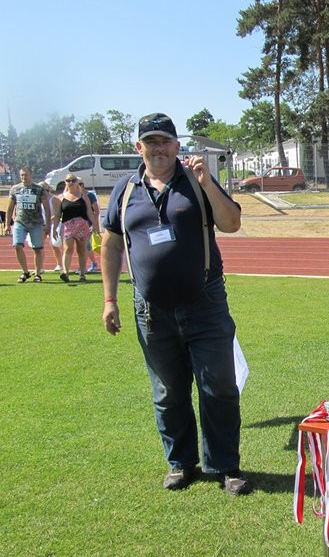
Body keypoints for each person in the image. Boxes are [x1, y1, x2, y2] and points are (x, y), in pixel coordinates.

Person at [101, 113, 250, 495]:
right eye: (150, 141)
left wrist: (206, 184)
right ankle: (181, 463)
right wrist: (109, 299)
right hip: (151, 310)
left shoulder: (197, 182)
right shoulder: (124, 190)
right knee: (168, 391)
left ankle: (225, 465)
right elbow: (113, 244)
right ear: (139, 148)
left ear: (177, 146)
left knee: (218, 384)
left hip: (205, 302)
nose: (159, 148)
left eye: (165, 141)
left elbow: (232, 223)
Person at [7, 166, 51, 283]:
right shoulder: (15, 189)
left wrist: (48, 225)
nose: (23, 177)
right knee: (17, 245)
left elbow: (47, 208)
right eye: (21, 175)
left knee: (37, 248)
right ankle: (25, 272)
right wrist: (7, 224)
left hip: (36, 222)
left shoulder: (39, 189)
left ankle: (37, 273)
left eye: (25, 175)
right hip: (20, 222)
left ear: (31, 175)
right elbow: (10, 207)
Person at [51, 173, 94, 282]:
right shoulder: (60, 198)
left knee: (82, 250)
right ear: (65, 182)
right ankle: (65, 272)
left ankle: (82, 274)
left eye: (73, 180)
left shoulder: (84, 197)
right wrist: (55, 228)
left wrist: (94, 224)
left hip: (82, 226)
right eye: (68, 180)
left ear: (77, 182)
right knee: (67, 249)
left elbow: (89, 211)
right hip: (67, 226)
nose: (71, 183)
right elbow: (57, 215)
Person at [79, 179, 101, 273]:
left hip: (88, 223)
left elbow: (96, 210)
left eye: (78, 184)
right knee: (82, 246)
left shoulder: (90, 195)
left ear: (82, 185)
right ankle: (91, 263)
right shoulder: (74, 196)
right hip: (78, 224)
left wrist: (94, 223)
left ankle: (90, 264)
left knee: (87, 246)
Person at [41, 182, 64, 271]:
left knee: (54, 245)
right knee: (40, 245)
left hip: (53, 224)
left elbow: (58, 213)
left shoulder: (54, 199)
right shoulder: (39, 200)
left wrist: (51, 220)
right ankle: (40, 266)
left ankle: (59, 264)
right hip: (42, 224)